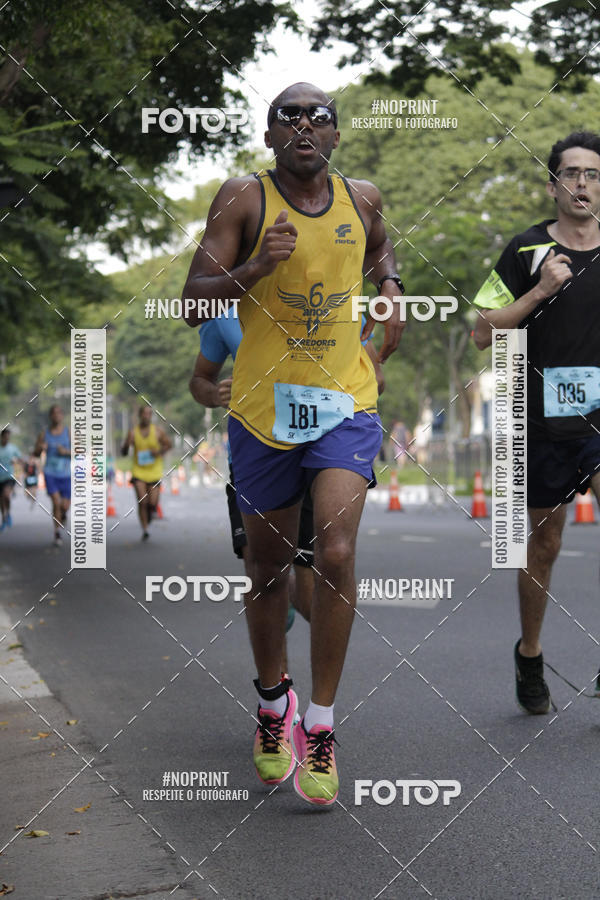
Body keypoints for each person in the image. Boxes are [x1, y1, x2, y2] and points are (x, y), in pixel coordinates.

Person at [183, 82, 404, 805]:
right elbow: (191, 301)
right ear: (270, 134)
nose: (305, 125)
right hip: (261, 412)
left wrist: (391, 286)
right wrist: (254, 268)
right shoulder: (242, 199)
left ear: (336, 136)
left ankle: (322, 722)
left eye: (319, 118)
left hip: (346, 401)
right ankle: (273, 703)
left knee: (334, 552)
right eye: (289, 117)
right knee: (269, 566)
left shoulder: (361, 198)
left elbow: (380, 246)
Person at [473, 131, 600, 714]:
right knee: (544, 543)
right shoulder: (525, 250)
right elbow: (482, 331)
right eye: (571, 173)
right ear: (553, 186)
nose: (582, 183)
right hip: (541, 421)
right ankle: (530, 652)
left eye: (592, 174)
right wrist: (541, 291)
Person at [189, 308, 385, 671]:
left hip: (317, 452)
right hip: (254, 453)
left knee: (314, 577)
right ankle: (279, 693)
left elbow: (376, 378)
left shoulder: (332, 296)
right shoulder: (226, 309)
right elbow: (200, 378)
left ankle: (287, 600)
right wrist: (215, 393)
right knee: (263, 570)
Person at [121, 405, 172, 541]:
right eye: (144, 413)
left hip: (154, 471)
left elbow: (168, 445)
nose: (146, 416)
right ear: (140, 415)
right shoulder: (133, 432)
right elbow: (124, 453)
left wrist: (159, 452)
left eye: (149, 414)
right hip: (138, 471)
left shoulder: (158, 432)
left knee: (152, 503)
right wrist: (126, 445)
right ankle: (145, 529)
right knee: (142, 501)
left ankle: (149, 516)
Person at [34, 405, 71, 546]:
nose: (56, 415)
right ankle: (57, 533)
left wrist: (66, 452)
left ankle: (63, 514)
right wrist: (40, 448)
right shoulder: (44, 434)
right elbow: (35, 453)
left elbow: (79, 451)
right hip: (50, 473)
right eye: (54, 413)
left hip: (65, 474)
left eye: (59, 413)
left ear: (62, 415)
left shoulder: (68, 432)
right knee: (56, 502)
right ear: (50, 416)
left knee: (65, 506)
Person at [0, 428, 23, 531]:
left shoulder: (13, 448)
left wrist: (16, 460)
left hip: (9, 476)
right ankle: (4, 518)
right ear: (1, 437)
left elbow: (21, 459)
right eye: (5, 437)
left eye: (8, 437)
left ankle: (8, 513)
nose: (7, 439)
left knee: (6, 495)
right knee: (1, 499)